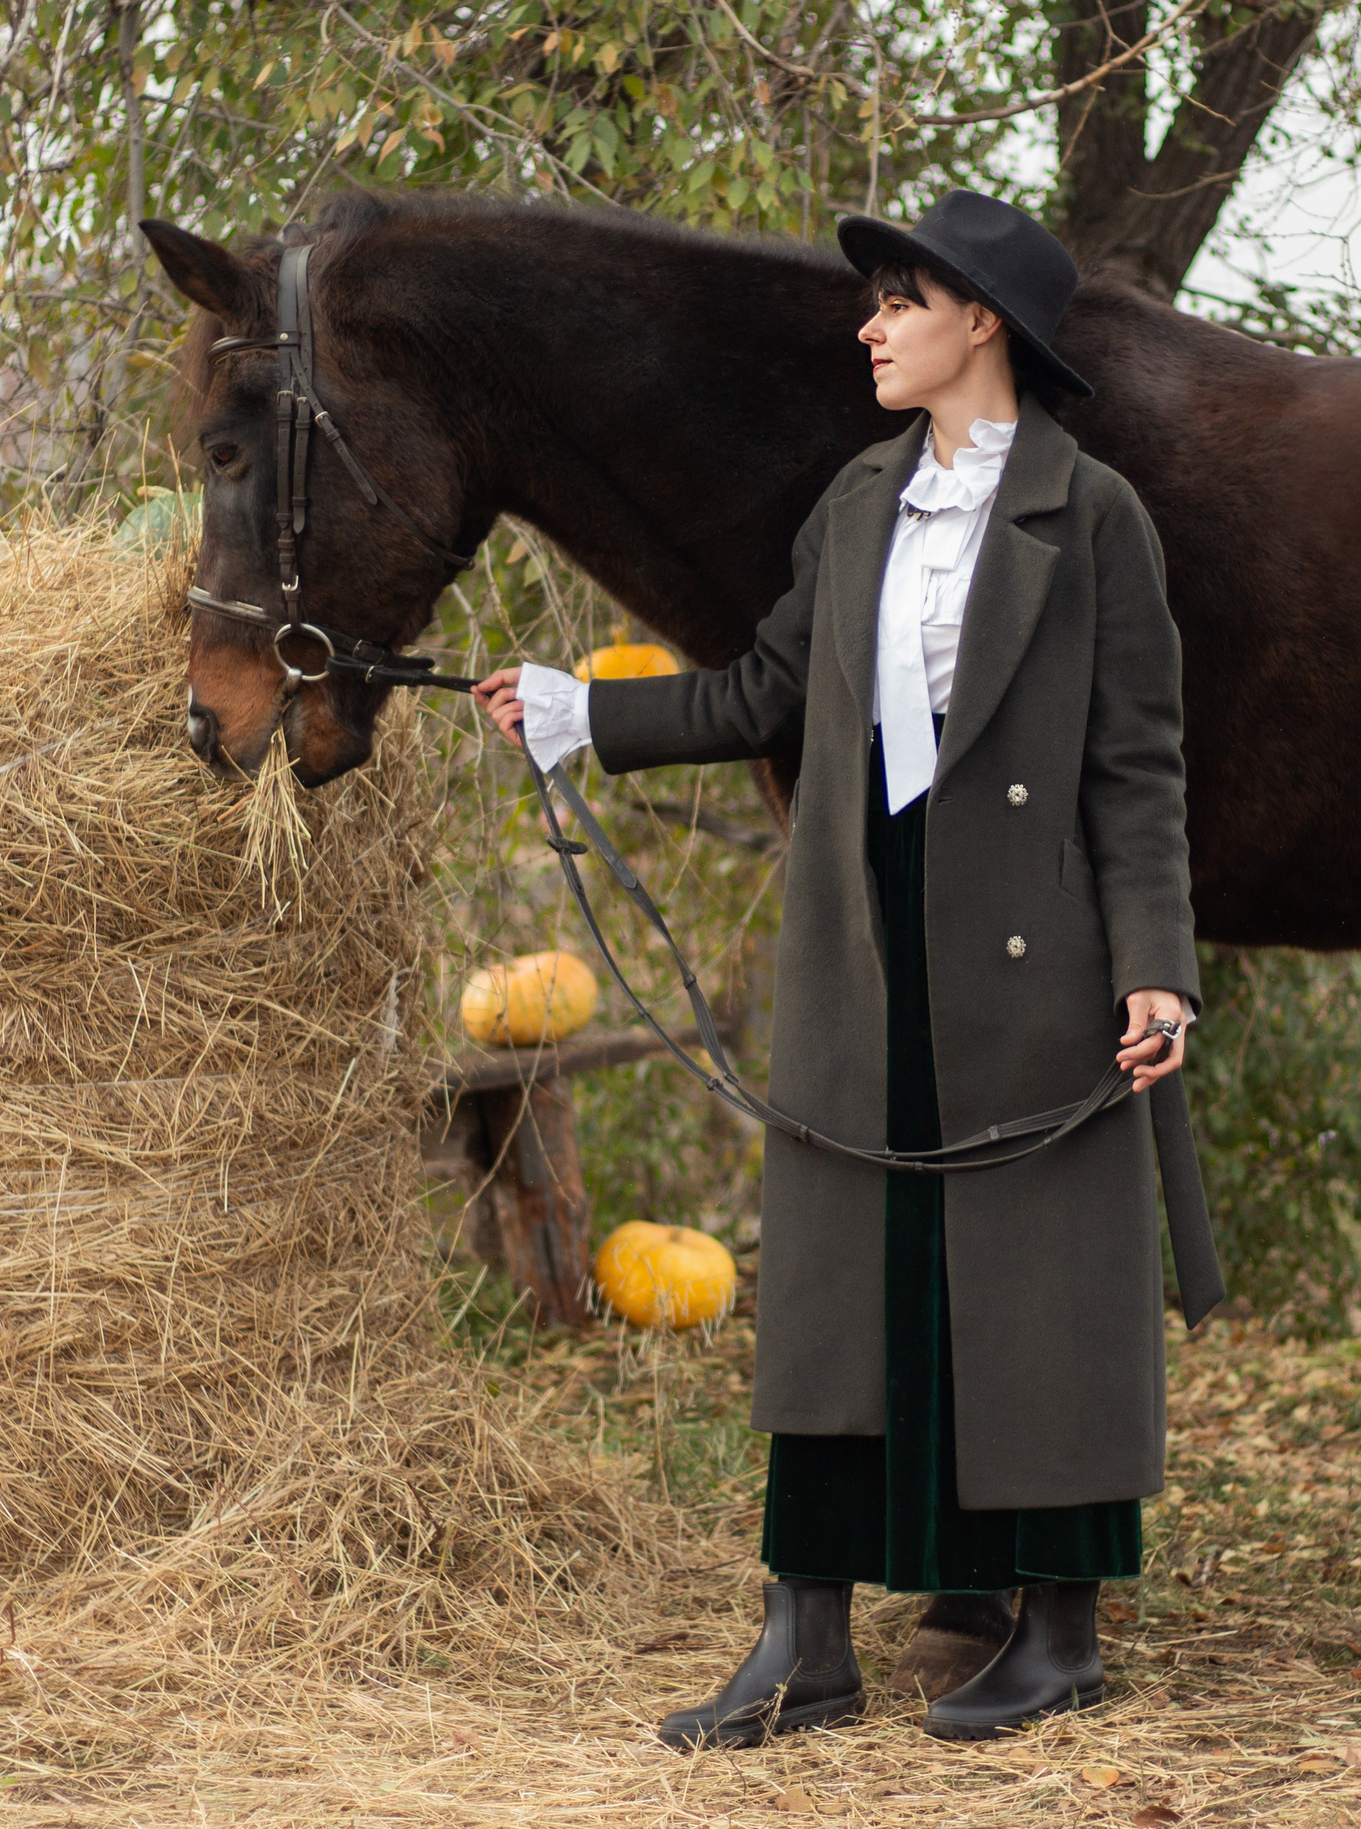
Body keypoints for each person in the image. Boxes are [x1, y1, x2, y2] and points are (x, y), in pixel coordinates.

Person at [473, 189, 1198, 1745]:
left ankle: (1056, 1628)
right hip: (864, 935)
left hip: (1036, 951)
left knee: (1036, 1276)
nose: (867, 325)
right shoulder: (858, 501)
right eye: (871, 302)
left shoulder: (1098, 517)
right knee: (840, 1276)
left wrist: (1156, 965)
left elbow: (1136, 768)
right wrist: (577, 712)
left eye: (898, 300)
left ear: (981, 321)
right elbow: (765, 690)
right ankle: (806, 1638)